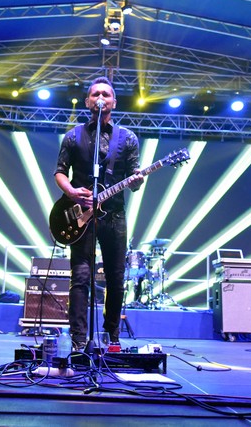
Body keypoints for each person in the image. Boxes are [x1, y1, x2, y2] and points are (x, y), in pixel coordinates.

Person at [54, 77, 143, 350]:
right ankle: (79, 340)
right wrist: (71, 192)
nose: (100, 98)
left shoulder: (128, 138)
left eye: (106, 94)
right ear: (87, 102)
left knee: (116, 279)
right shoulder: (73, 136)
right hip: (81, 216)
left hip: (114, 216)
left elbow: (134, 181)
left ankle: (112, 337)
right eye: (95, 94)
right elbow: (60, 172)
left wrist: (137, 180)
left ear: (114, 102)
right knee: (80, 278)